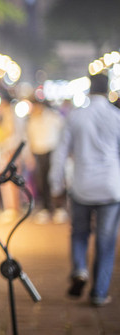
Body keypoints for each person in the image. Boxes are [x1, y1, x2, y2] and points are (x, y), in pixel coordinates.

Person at [49, 71, 120, 307]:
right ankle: (99, 292)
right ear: (108, 89)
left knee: (79, 233)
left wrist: (55, 185)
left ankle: (80, 268)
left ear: (89, 89)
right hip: (111, 188)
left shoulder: (76, 117)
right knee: (106, 241)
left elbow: (60, 154)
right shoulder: (116, 117)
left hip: (81, 186)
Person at [26, 99, 66, 223]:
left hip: (52, 152)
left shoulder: (53, 117)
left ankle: (59, 208)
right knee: (41, 181)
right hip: (39, 153)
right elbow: (29, 139)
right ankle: (46, 208)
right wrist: (30, 156)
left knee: (56, 180)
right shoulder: (32, 120)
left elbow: (63, 133)